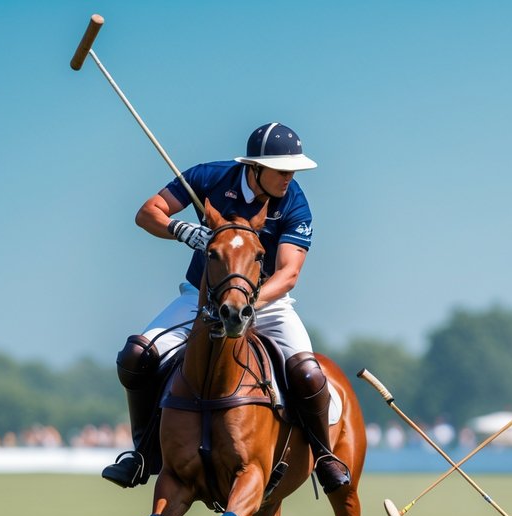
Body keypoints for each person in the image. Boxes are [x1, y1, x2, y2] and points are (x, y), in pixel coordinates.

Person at [101, 123, 350, 494]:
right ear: (255, 167)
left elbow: (288, 274)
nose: (289, 178)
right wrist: (180, 229)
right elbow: (147, 213)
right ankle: (143, 454)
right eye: (282, 170)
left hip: (266, 302)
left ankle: (325, 457)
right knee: (137, 355)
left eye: (293, 170)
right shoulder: (208, 177)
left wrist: (245, 305)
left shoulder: (294, 203)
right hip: (200, 298)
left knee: (309, 374)